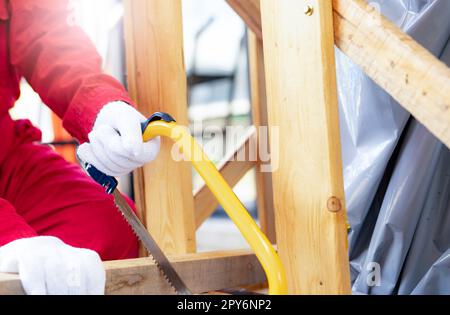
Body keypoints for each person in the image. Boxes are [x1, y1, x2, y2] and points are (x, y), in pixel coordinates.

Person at [0, 0, 160, 294]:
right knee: (26, 271)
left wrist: (100, 106)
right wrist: (10, 237)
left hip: (5, 147)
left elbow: (47, 32)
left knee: (111, 225)